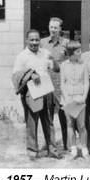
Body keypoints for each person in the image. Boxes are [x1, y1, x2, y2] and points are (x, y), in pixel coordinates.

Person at [12, 29, 62, 160]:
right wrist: (30, 74)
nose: (34, 42)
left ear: (40, 40)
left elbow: (56, 69)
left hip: (46, 89)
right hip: (31, 92)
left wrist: (54, 61)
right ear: (27, 40)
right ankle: (32, 151)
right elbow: (16, 75)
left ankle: (52, 149)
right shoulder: (22, 56)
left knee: (49, 121)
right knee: (32, 122)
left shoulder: (45, 53)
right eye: (32, 40)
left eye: (37, 40)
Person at [40, 17, 69, 150]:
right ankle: (50, 143)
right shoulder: (42, 43)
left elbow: (71, 63)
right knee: (47, 114)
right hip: (46, 82)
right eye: (51, 27)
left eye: (56, 28)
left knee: (64, 113)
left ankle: (67, 143)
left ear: (60, 29)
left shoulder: (66, 43)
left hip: (61, 83)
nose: (53, 30)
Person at [60, 41, 90, 159]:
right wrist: (67, 98)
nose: (80, 53)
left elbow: (86, 82)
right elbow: (62, 83)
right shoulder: (63, 65)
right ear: (71, 53)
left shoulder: (83, 65)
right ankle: (73, 148)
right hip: (68, 98)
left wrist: (83, 97)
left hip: (80, 98)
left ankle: (84, 148)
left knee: (81, 125)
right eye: (78, 51)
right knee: (70, 124)